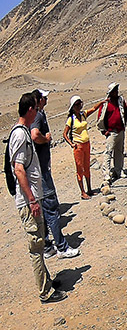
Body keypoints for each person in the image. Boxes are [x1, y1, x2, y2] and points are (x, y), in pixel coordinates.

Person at [7, 92, 66, 303]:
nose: (39, 109)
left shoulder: (22, 131)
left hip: (32, 198)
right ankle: (45, 292)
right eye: (36, 107)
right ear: (30, 109)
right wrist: (32, 199)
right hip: (27, 201)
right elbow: (19, 170)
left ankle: (47, 282)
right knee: (36, 246)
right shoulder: (20, 135)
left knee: (40, 244)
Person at [30, 90, 79, 259]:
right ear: (39, 100)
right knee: (52, 208)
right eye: (45, 97)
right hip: (41, 171)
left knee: (43, 211)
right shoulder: (38, 115)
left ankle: (47, 246)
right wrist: (46, 139)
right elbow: (35, 135)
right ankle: (62, 247)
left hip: (37, 171)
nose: (47, 98)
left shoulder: (34, 114)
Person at [63, 95, 103, 199]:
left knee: (87, 167)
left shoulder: (83, 114)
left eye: (80, 103)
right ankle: (82, 192)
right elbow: (65, 134)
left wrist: (102, 102)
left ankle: (89, 189)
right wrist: (71, 144)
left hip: (87, 144)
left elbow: (94, 109)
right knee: (79, 168)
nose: (79, 106)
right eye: (76, 104)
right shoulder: (71, 119)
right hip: (78, 146)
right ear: (73, 107)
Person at [97, 82, 127, 185]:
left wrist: (124, 125)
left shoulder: (120, 101)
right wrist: (104, 131)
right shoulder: (106, 104)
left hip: (120, 130)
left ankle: (119, 170)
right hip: (111, 132)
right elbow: (100, 117)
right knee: (108, 152)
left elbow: (125, 112)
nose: (116, 92)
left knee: (119, 151)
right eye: (114, 90)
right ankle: (106, 173)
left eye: (117, 90)